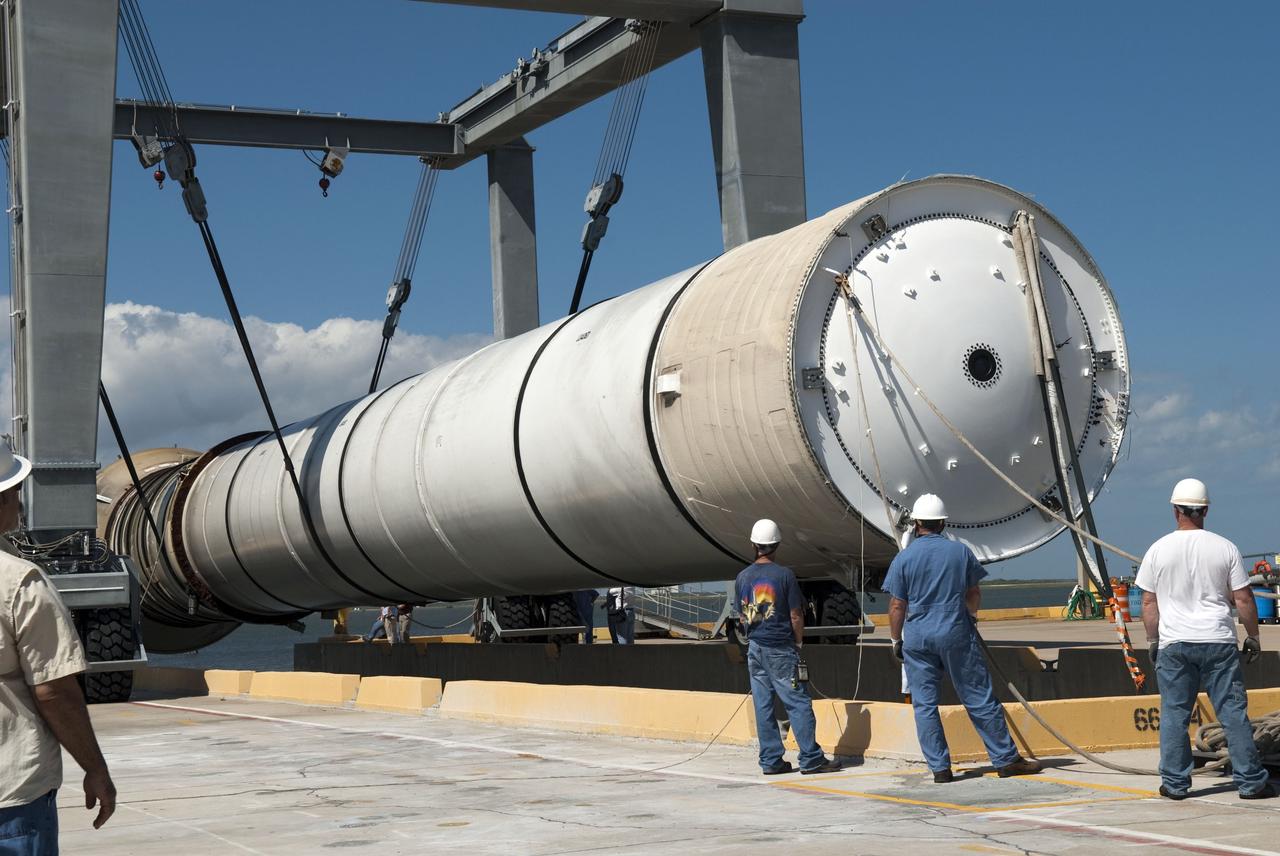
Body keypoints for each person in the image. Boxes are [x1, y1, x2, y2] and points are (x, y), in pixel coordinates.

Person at [0, 445, 116, 851]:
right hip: (11, 801)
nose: (19, 500)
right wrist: (95, 768)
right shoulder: (20, 583)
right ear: (2, 500)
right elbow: (53, 691)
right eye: (15, 490)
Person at [1136, 478, 1275, 801]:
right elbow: (1243, 599)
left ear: (1175, 510)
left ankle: (1174, 784)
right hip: (1218, 640)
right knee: (1232, 713)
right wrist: (1253, 636)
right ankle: (1251, 783)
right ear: (1205, 510)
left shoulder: (1157, 550)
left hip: (1175, 644)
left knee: (1174, 714)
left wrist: (1153, 640)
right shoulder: (1224, 547)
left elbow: (1148, 603)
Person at [885, 494, 1040, 783]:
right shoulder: (960, 553)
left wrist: (896, 640)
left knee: (925, 705)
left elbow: (896, 605)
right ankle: (1005, 760)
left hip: (918, 637)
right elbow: (973, 594)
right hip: (956, 631)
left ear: (917, 523)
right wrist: (970, 618)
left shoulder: (903, 558)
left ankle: (940, 769)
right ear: (943, 522)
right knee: (978, 696)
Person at [735, 519, 840, 776]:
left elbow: (742, 617)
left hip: (755, 648)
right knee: (798, 702)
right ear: (777, 545)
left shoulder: (742, 577)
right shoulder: (784, 575)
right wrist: (798, 641)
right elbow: (796, 614)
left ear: (753, 544)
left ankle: (771, 761)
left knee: (763, 705)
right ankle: (811, 759)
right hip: (780, 648)